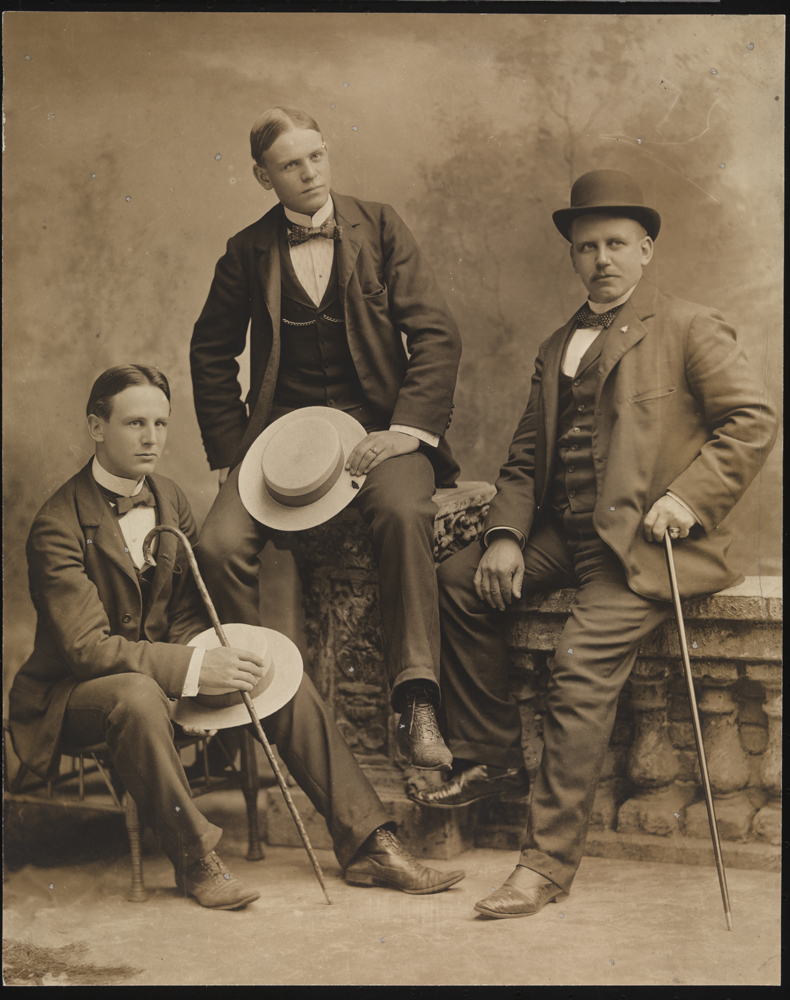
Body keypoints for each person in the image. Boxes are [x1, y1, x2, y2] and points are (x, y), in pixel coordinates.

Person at [412, 170, 778, 919]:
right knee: (455, 580)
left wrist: (686, 498)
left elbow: (751, 420)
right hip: (564, 538)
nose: (602, 258)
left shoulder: (688, 325)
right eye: (587, 247)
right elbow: (521, 460)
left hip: (644, 550)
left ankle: (544, 867)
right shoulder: (556, 347)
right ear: (573, 257)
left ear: (645, 250)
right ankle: (497, 756)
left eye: (617, 243)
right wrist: (508, 536)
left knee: (577, 673)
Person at [8, 365, 465, 911]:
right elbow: (89, 651)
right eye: (134, 423)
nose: (151, 438)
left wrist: (220, 656)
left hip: (161, 675)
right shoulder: (57, 525)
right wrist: (197, 670)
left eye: (160, 422)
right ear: (96, 427)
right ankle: (196, 861)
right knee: (135, 694)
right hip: (77, 696)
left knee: (272, 667)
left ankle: (368, 842)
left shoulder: (170, 497)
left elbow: (185, 610)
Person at [190, 107, 462, 772]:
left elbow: (435, 334)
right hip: (278, 441)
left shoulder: (381, 226)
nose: (309, 172)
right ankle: (249, 707)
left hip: (378, 428)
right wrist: (233, 455)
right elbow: (209, 351)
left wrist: (403, 432)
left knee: (402, 513)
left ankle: (415, 700)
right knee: (218, 543)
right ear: (263, 177)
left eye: (317, 156)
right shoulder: (246, 252)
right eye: (291, 164)